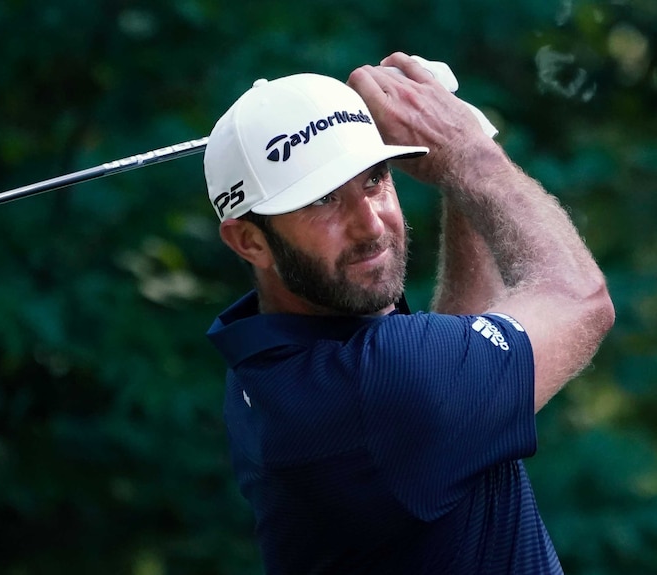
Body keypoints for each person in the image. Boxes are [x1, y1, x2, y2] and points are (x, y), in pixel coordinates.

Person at [203, 52, 615, 574]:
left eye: (374, 179)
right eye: (324, 199)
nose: (369, 225)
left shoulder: (270, 364)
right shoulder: (376, 387)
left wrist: (455, 165)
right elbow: (579, 299)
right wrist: (468, 149)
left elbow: (457, 351)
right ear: (249, 240)